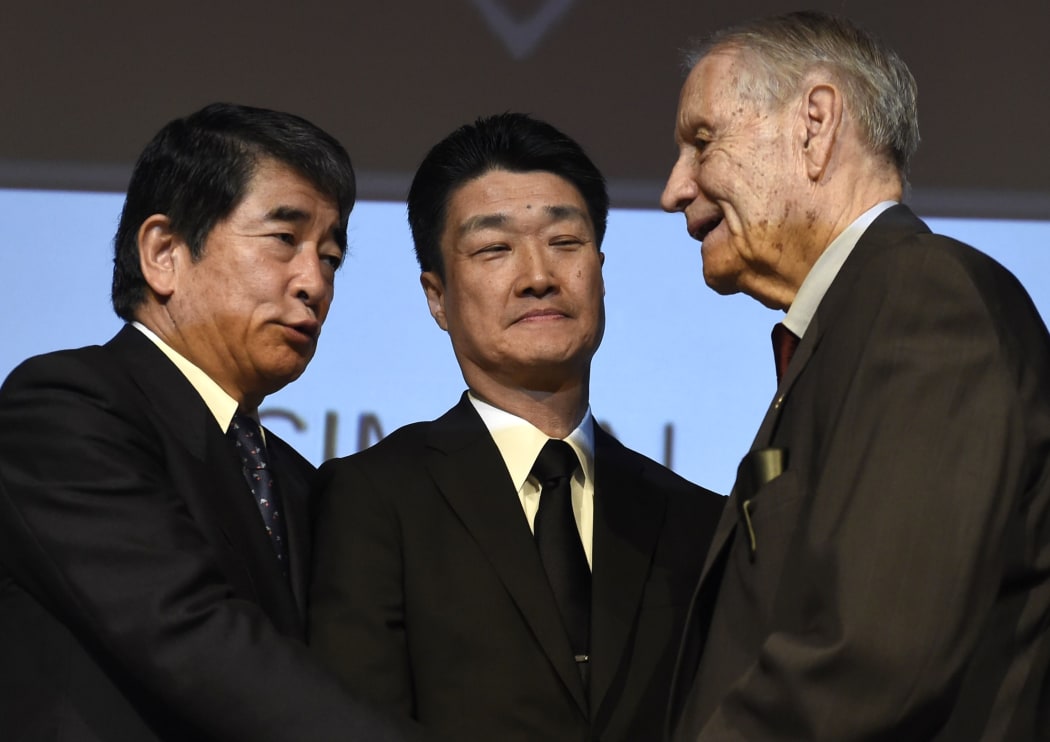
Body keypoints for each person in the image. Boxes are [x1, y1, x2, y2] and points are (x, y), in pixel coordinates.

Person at [660, 11, 1050, 741]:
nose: (675, 188)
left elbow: (874, 653)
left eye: (702, 142)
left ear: (814, 123)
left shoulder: (924, 301)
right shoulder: (856, 319)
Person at [0, 103, 422, 741]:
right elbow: (191, 634)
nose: (314, 282)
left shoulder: (299, 480)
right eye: (285, 239)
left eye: (331, 257)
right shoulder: (65, 407)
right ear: (164, 253)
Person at [309, 112, 724, 742]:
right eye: (494, 249)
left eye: (565, 242)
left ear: (602, 270)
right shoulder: (371, 499)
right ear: (437, 297)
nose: (539, 276)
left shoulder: (693, 518)